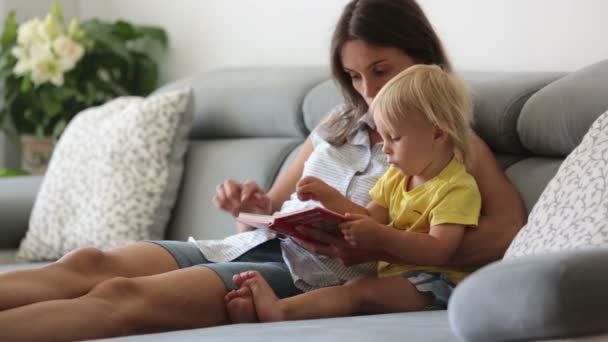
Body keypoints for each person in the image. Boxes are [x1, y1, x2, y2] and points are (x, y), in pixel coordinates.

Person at [0, 0, 526, 340]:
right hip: (246, 246)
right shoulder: (337, 122)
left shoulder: (452, 142)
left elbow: (510, 233)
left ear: (423, 58)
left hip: (303, 277)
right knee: (88, 262)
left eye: (381, 71)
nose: (369, 91)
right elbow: (272, 206)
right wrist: (249, 206)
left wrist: (382, 243)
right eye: (354, 75)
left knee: (119, 298)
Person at [224, 64, 481, 322]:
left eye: (394, 138)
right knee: (355, 288)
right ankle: (262, 313)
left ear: (437, 134)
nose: (385, 149)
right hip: (395, 275)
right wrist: (328, 198)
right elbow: (369, 217)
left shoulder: (456, 187)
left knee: (358, 291)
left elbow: (439, 250)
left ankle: (280, 311)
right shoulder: (398, 177)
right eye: (383, 138)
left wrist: (382, 236)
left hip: (436, 281)